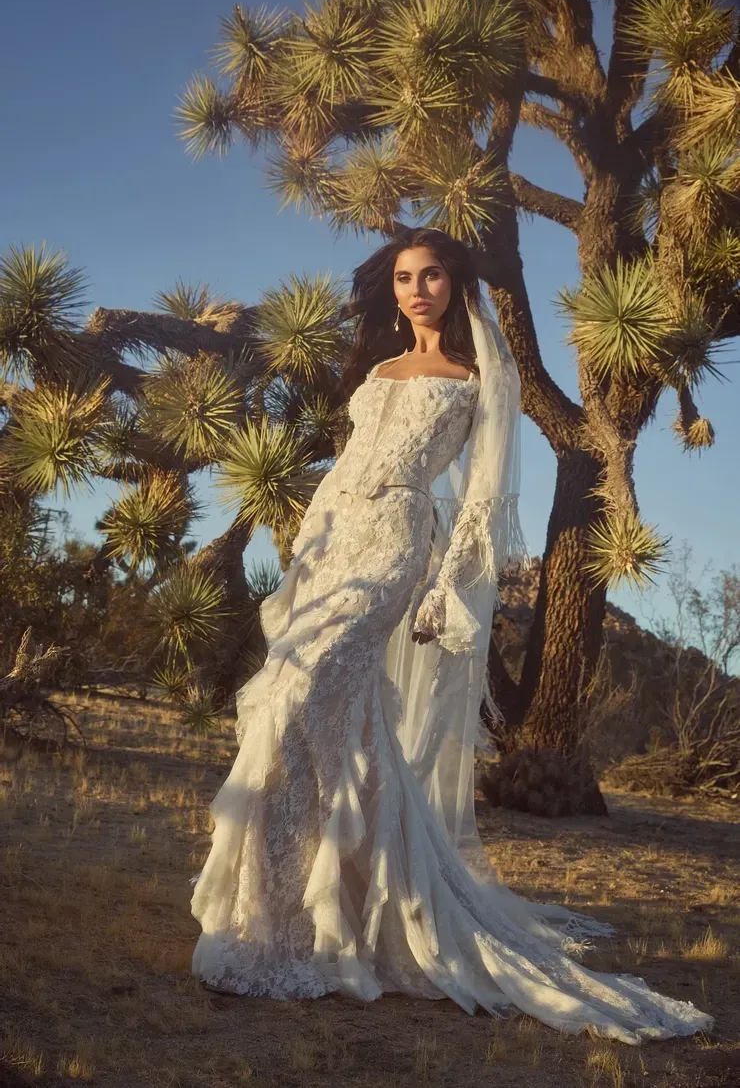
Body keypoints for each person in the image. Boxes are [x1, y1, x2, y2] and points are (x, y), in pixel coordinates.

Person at [190, 227, 714, 1045]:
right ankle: (314, 909)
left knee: (304, 701)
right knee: (321, 713)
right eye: (404, 277)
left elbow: (482, 498)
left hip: (396, 543)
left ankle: (288, 926)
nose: (416, 290)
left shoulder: (478, 377)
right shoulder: (378, 371)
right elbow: (344, 467)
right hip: (332, 547)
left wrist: (448, 586)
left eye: (431, 275)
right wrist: (305, 554)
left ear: (456, 284)